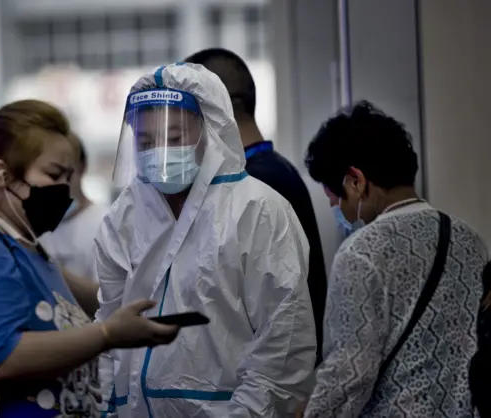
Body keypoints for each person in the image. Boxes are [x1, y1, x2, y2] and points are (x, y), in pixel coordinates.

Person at [0, 102, 178, 418]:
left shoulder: (27, 248)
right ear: (2, 175)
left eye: (68, 177)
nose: (64, 190)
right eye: (53, 174)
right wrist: (106, 335)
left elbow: (97, 297)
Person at [96, 62, 316, 417]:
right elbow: (107, 324)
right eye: (145, 141)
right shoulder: (124, 217)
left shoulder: (258, 211)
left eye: (174, 137)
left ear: (208, 130)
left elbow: (283, 345)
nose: (159, 152)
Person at [302, 101, 489, 417]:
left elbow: (348, 376)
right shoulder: (472, 240)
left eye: (333, 196)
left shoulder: (360, 253)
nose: (335, 206)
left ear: (355, 180)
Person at [184, 48, 327, 363]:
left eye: (188, 110)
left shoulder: (259, 183)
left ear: (215, 106)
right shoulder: (270, 169)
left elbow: (267, 309)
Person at [41, 134, 109, 283]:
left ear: (81, 167)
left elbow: (107, 299)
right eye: (50, 175)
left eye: (64, 174)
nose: (56, 185)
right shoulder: (33, 226)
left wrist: (46, 270)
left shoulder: (107, 226)